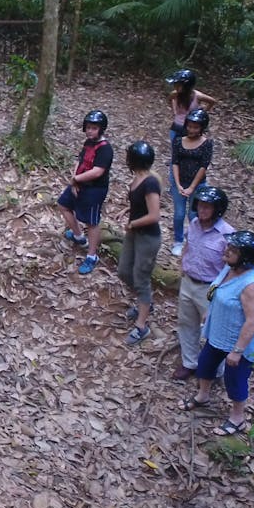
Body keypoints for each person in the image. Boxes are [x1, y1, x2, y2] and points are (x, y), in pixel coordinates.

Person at [180, 230, 254, 435]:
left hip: (237, 343)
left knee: (235, 379)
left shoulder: (252, 285)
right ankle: (203, 396)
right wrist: (209, 313)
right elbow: (219, 292)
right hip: (218, 334)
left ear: (245, 258)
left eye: (233, 250)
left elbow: (253, 322)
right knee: (205, 365)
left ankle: (238, 418)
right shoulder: (229, 269)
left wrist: (237, 351)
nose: (227, 250)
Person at [173, 185, 235, 380]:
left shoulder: (227, 234)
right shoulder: (193, 225)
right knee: (186, 323)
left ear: (217, 209)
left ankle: (216, 371)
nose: (202, 210)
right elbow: (188, 246)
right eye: (200, 205)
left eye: (207, 207)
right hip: (188, 282)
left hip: (210, 288)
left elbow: (234, 266)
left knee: (214, 330)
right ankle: (189, 363)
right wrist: (182, 265)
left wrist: (221, 291)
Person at [58, 110, 113, 275]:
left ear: (101, 129)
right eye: (88, 127)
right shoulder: (88, 143)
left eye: (94, 128)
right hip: (80, 183)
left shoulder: (105, 149)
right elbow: (80, 161)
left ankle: (92, 255)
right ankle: (78, 236)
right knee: (63, 204)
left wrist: (77, 179)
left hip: (95, 189)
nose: (90, 131)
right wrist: (75, 178)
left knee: (92, 222)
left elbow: (98, 171)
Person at [118, 141, 161, 345]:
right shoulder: (138, 179)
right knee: (124, 271)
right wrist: (127, 212)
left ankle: (141, 326)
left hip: (148, 237)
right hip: (135, 233)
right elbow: (139, 205)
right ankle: (146, 302)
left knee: (141, 278)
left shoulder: (151, 182)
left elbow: (154, 215)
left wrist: (132, 223)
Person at [169, 108, 214, 256]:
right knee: (179, 214)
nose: (191, 129)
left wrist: (192, 187)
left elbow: (203, 166)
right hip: (180, 183)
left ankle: (194, 242)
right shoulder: (178, 141)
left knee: (194, 215)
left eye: (195, 127)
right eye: (189, 126)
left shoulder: (207, 144)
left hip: (197, 184)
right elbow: (174, 162)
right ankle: (178, 241)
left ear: (202, 127)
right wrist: (178, 183)